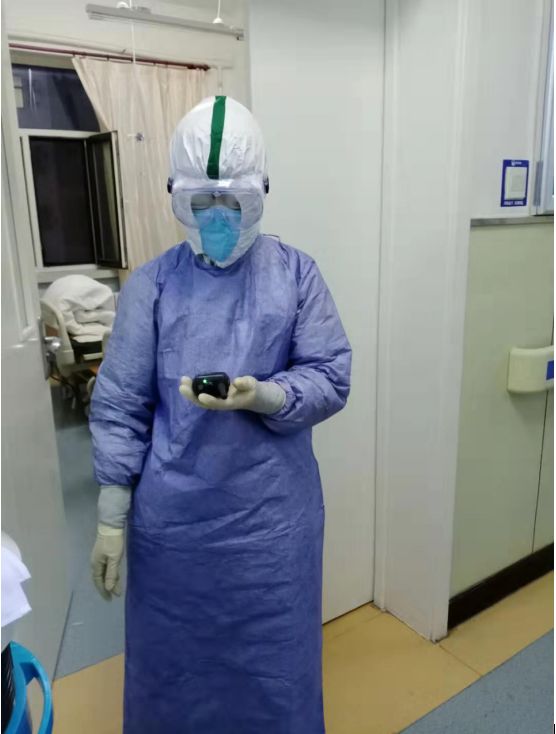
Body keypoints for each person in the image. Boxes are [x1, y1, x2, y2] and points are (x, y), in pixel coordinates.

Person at [89, 95, 351, 733]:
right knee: (176, 675)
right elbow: (121, 404)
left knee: (274, 672)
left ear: (260, 193)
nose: (216, 217)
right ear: (176, 197)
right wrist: (110, 518)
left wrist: (265, 396)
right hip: (176, 531)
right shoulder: (152, 286)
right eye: (201, 202)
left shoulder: (296, 276)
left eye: (232, 202)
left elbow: (330, 374)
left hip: (271, 531)